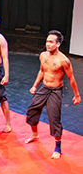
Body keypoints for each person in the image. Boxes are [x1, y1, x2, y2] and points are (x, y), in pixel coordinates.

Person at [25, 30, 81, 159]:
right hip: (44, 88)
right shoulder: (43, 55)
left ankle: (58, 147)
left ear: (58, 44)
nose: (48, 44)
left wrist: (77, 95)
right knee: (32, 111)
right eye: (47, 41)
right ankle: (34, 135)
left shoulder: (64, 60)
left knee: (54, 119)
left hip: (55, 91)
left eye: (51, 42)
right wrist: (34, 85)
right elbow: (41, 71)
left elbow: (71, 78)